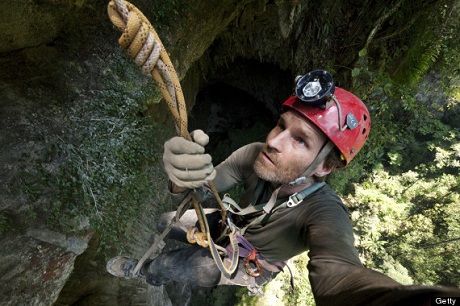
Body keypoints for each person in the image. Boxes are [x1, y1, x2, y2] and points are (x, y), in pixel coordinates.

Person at [107, 70, 460, 305]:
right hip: (229, 225)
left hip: (249, 262)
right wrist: (181, 176)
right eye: (280, 125)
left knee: (183, 267)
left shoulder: (324, 212)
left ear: (325, 166)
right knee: (165, 220)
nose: (275, 141)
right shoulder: (252, 156)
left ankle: (145, 272)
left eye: (301, 141)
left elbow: (338, 272)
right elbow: (198, 194)